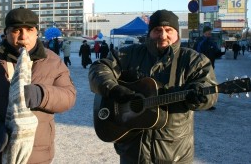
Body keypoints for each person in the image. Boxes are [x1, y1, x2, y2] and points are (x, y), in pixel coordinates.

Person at [89, 9, 218, 164]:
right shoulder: (129, 54)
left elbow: (209, 88)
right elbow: (99, 68)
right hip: (132, 151)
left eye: (169, 30)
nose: (163, 35)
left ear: (177, 33)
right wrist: (113, 88)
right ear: (150, 33)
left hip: (174, 153)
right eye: (157, 30)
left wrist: (200, 97)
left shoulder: (193, 60)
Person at [0, 7, 76, 164]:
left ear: (36, 32)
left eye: (29, 29)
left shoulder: (53, 61)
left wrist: (42, 94)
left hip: (36, 154)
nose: (23, 36)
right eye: (16, 30)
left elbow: (69, 95)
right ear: (6, 32)